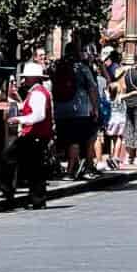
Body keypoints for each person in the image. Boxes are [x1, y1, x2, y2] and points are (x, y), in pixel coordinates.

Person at [2, 62, 54, 208]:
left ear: (34, 78)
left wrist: (19, 119)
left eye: (27, 77)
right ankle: (36, 198)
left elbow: (38, 115)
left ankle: (10, 190)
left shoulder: (38, 93)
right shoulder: (35, 91)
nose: (24, 80)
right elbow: (26, 107)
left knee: (11, 157)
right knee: (33, 166)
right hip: (35, 134)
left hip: (35, 134)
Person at [51, 41, 99, 181]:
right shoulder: (82, 67)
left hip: (60, 109)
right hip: (79, 110)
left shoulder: (57, 66)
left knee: (63, 139)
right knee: (75, 140)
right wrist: (95, 108)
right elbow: (92, 88)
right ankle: (70, 171)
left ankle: (67, 167)